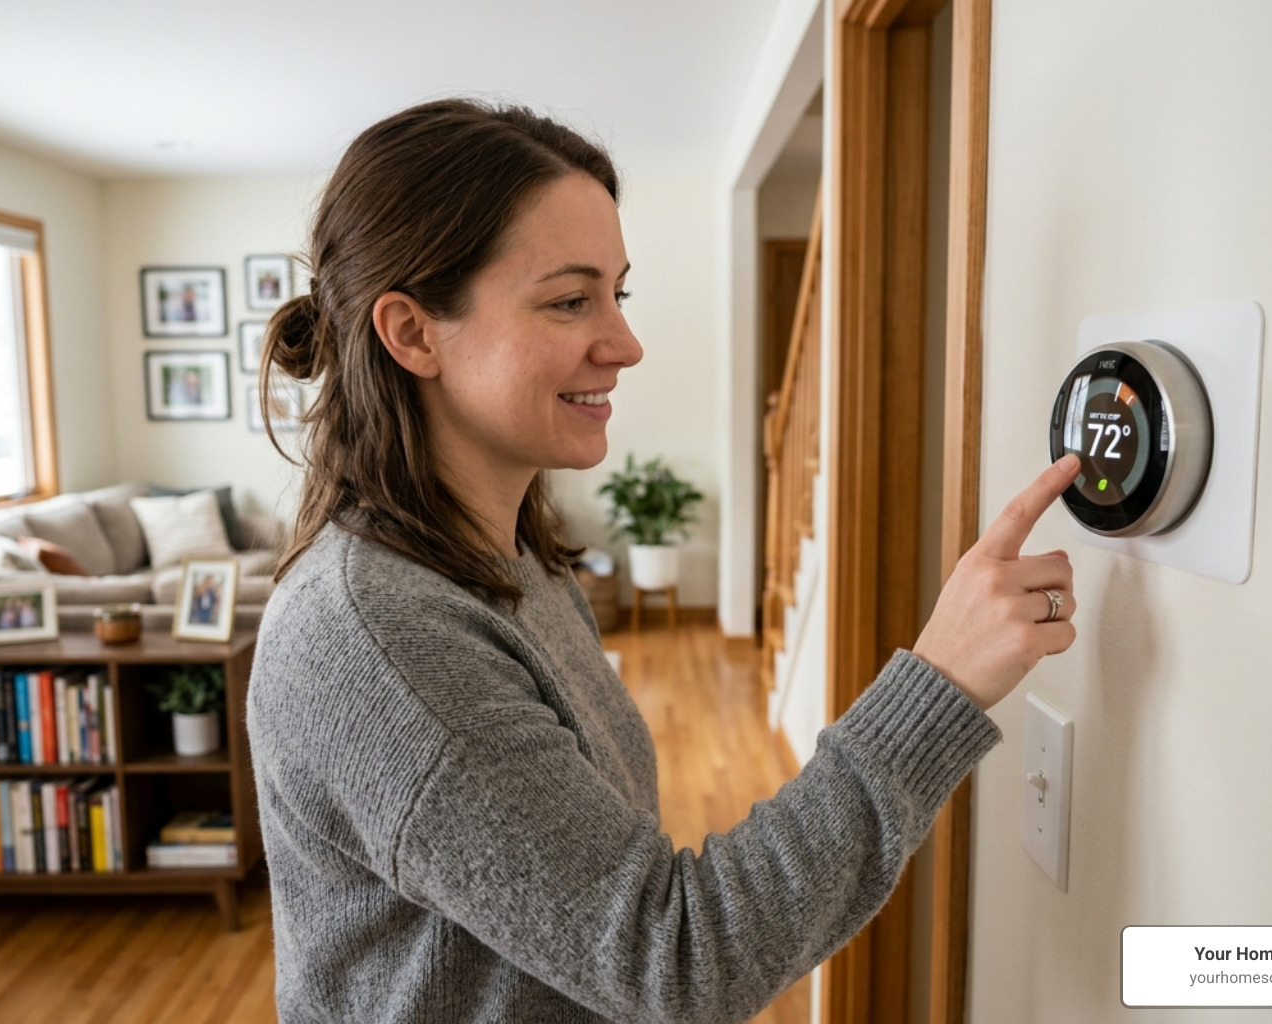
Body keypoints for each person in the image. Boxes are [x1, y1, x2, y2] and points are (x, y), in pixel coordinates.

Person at [246, 99, 1080, 1024]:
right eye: (571, 300)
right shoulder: (375, 639)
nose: (625, 343)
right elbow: (676, 956)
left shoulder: (515, 555)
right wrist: (939, 685)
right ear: (412, 333)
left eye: (618, 293)